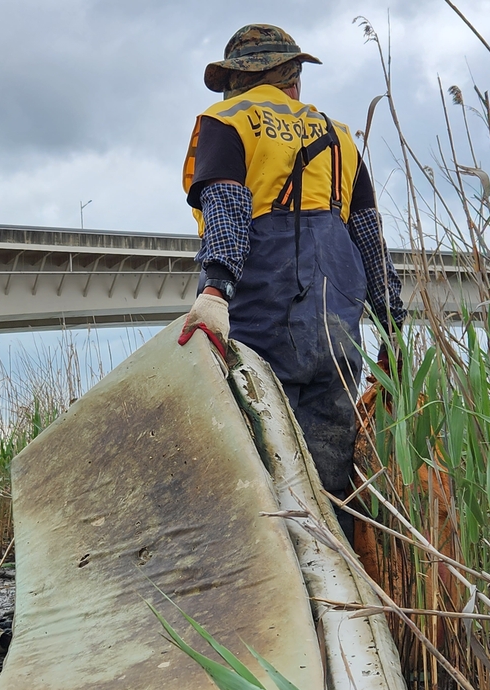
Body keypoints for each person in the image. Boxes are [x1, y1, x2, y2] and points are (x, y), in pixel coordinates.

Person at [178, 24, 406, 542]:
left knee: (254, 474)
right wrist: (392, 327)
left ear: (237, 79)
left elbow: (229, 207)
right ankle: (338, 599)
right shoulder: (340, 136)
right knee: (330, 486)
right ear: (293, 78)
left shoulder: (227, 120)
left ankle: (266, 599)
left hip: (262, 322)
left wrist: (216, 289)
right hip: (336, 329)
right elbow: (369, 236)